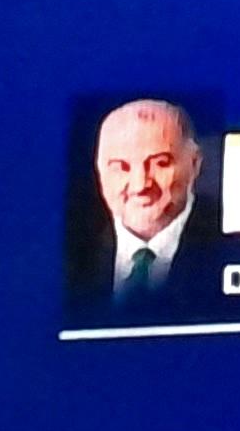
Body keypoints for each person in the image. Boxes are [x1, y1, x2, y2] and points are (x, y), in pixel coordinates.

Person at [78, 98, 215, 317]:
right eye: (121, 167)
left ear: (194, 163)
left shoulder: (227, 241)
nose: (140, 185)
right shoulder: (75, 252)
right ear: (99, 170)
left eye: (160, 163)